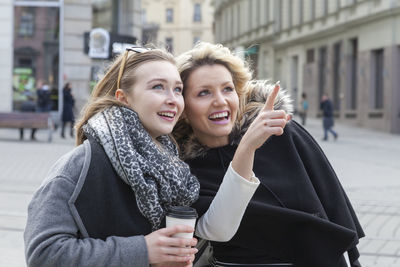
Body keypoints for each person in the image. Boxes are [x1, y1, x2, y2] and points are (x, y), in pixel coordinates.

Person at [24, 46, 260, 267]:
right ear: (123, 97)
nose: (172, 99)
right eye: (158, 87)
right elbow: (44, 253)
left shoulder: (172, 165)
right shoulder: (82, 163)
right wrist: (143, 250)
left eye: (177, 89)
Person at [173, 42, 364, 267]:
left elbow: (331, 195)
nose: (221, 101)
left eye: (228, 89)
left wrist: (352, 257)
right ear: (184, 109)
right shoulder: (183, 168)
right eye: (204, 93)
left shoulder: (281, 132)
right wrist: (247, 147)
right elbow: (215, 229)